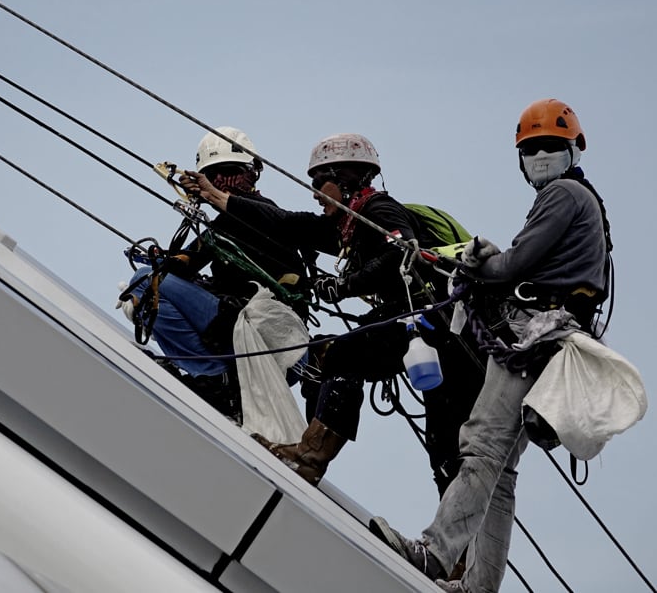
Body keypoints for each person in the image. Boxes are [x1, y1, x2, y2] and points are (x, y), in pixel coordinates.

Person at [370, 98, 612, 593]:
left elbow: (514, 266)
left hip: (533, 339)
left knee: (480, 445)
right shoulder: (587, 203)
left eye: (550, 146)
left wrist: (476, 262)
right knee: (500, 471)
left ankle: (434, 553)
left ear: (574, 150)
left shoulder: (563, 194)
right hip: (554, 342)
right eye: (532, 148)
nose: (541, 156)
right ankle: (480, 586)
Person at [183, 133, 486, 489]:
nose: (314, 193)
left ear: (344, 178)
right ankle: (309, 452)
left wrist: (345, 285)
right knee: (443, 445)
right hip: (431, 330)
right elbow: (286, 223)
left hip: (438, 325)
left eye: (318, 183)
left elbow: (400, 251)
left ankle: (309, 457)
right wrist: (217, 197)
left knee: (342, 354)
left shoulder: (378, 210)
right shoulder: (346, 227)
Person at [119, 127, 314, 424]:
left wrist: (210, 197)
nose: (222, 182)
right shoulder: (224, 226)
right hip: (251, 336)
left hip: (270, 336)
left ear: (252, 174)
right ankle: (220, 382)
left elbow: (195, 254)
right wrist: (163, 258)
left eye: (230, 173)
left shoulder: (261, 213)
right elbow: (186, 261)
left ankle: (214, 377)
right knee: (150, 284)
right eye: (213, 176)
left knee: (147, 281)